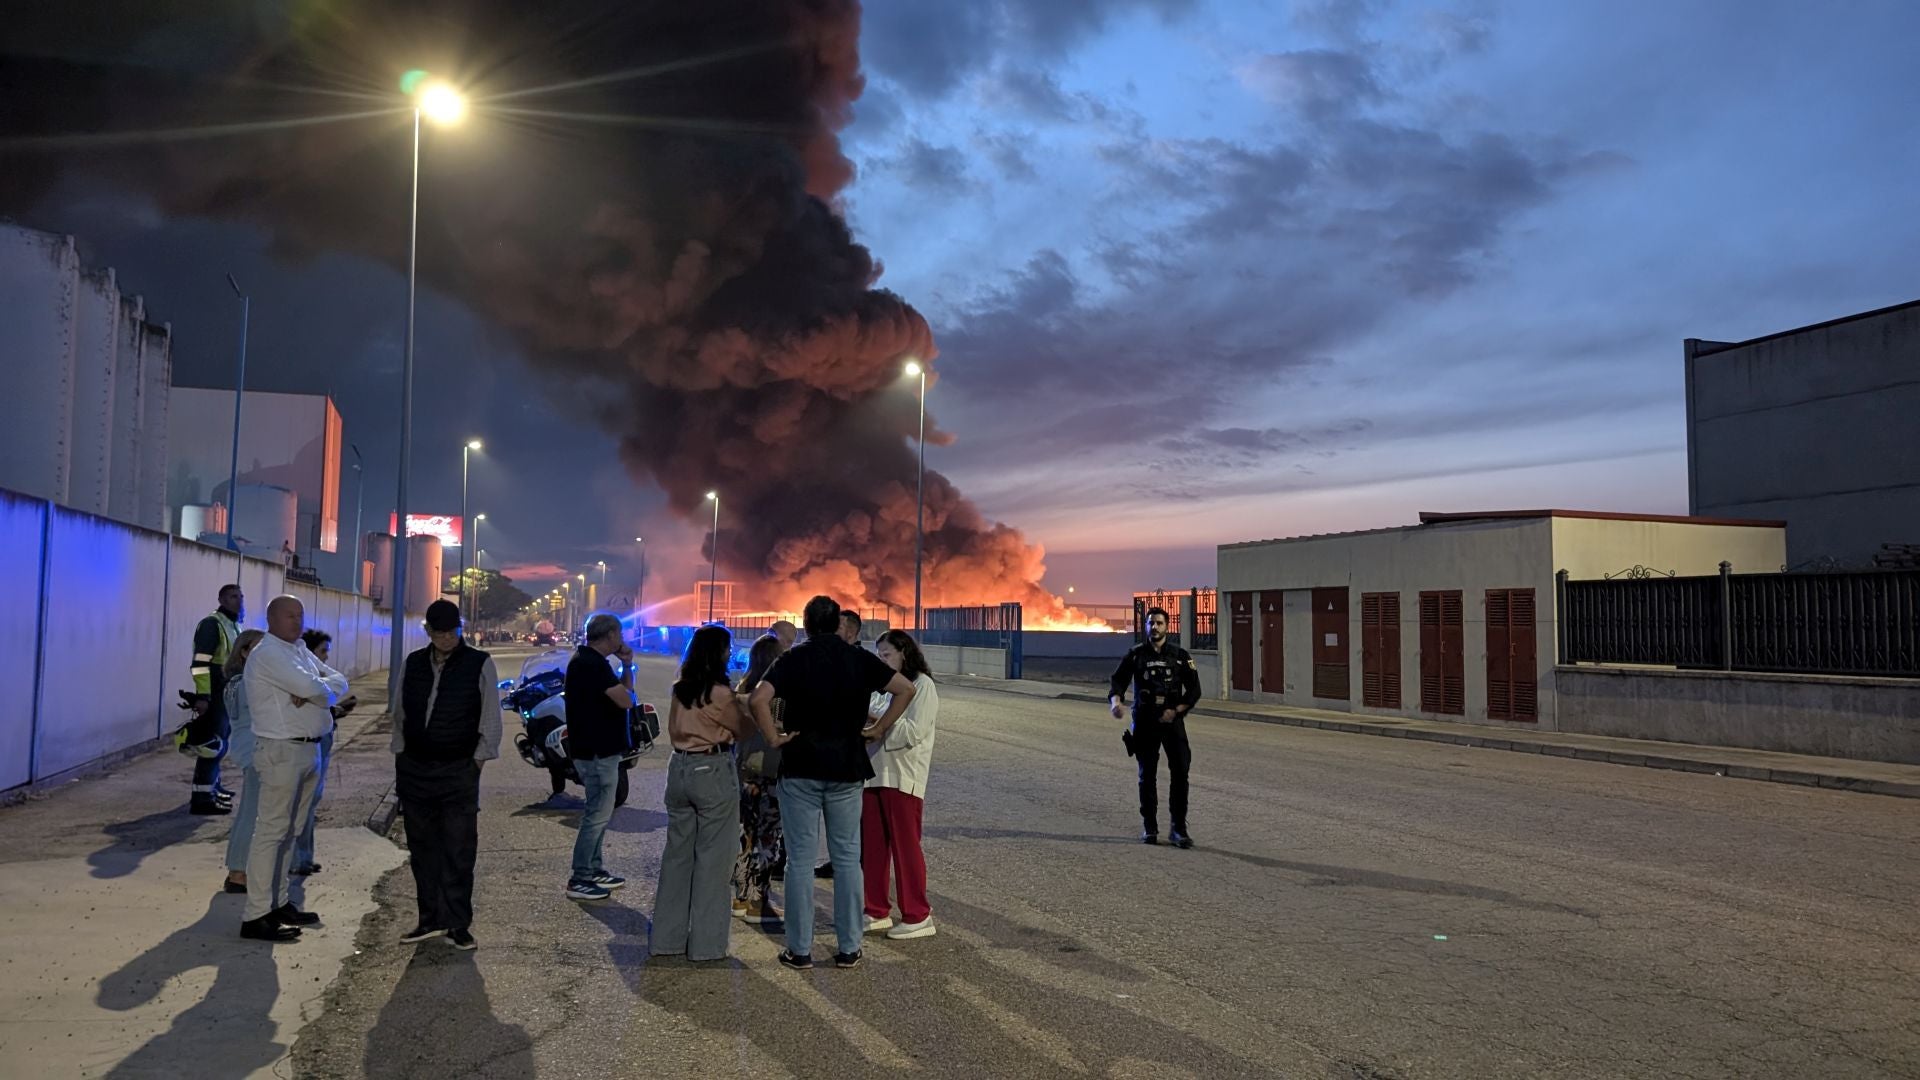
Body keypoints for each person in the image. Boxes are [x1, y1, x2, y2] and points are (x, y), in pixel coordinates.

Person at [747, 596, 916, 971]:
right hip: (846, 769)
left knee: (800, 862)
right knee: (847, 859)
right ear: (838, 623)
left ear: (806, 624)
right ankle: (849, 947)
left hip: (801, 767)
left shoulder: (793, 659)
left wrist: (773, 737)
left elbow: (758, 699)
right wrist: (879, 728)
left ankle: (799, 949)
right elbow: (906, 689)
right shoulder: (858, 658)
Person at [392, 600, 502, 950]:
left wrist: (475, 765)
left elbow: (490, 719)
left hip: (458, 771)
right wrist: (401, 754)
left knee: (459, 849)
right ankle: (430, 919)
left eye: (451, 632)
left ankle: (457, 924)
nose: (445, 639)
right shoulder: (413, 663)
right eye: (439, 633)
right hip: (415, 770)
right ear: (428, 632)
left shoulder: (479, 663)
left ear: (460, 629)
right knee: (422, 849)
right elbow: (399, 712)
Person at [241, 595, 349, 942]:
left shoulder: (298, 650)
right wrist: (316, 689)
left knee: (291, 830)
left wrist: (318, 690)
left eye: (300, 615)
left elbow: (339, 682)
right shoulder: (269, 654)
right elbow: (315, 688)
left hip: (308, 749)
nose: (297, 621)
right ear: (271, 619)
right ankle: (256, 914)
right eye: (289, 615)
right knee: (272, 831)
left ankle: (279, 902)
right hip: (282, 751)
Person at [651, 625, 752, 962]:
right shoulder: (719, 693)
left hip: (679, 768)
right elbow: (742, 729)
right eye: (727, 648)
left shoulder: (681, 688)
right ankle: (707, 946)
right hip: (711, 769)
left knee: (677, 859)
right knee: (713, 862)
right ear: (718, 653)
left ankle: (666, 940)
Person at [862, 630, 941, 940]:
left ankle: (917, 914)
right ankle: (876, 910)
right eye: (878, 655)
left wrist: (879, 717)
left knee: (905, 848)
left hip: (903, 777)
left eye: (887, 655)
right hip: (873, 774)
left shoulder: (922, 686)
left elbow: (912, 733)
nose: (881, 661)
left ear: (904, 653)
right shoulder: (881, 687)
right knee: (873, 849)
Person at [1109, 606, 1203, 848]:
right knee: (1147, 775)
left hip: (1172, 722)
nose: (1155, 627)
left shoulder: (1180, 656)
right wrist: (1116, 702)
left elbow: (1194, 690)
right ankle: (1149, 827)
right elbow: (1118, 681)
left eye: (1159, 623)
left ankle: (1178, 829)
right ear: (1146, 626)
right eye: (1151, 623)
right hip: (1145, 722)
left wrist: (1178, 710)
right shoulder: (1136, 655)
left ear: (1167, 626)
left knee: (1180, 773)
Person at [563, 614, 636, 902]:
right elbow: (626, 699)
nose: (622, 640)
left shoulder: (589, 661)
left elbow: (623, 694)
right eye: (619, 634)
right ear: (610, 635)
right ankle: (580, 876)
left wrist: (627, 665)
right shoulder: (591, 664)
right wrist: (627, 673)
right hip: (597, 752)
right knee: (596, 816)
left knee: (598, 813)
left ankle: (593, 869)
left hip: (595, 750)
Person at [291, 629, 358, 877]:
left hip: (321, 741)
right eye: (322, 652)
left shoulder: (316, 679)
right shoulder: (302, 680)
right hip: (310, 744)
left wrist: (336, 709)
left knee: (310, 803)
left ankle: (304, 857)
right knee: (303, 804)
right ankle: (298, 859)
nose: (326, 657)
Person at [732, 634, 788, 924]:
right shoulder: (777, 695)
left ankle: (741, 897)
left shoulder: (742, 688)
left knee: (746, 835)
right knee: (768, 838)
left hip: (744, 770)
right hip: (770, 770)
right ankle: (758, 902)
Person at [184, 585, 244, 815]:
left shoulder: (232, 624)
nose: (239, 600)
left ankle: (213, 787)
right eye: (233, 596)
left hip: (226, 691)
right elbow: (200, 663)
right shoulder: (212, 624)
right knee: (211, 745)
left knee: (221, 742)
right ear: (221, 599)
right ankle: (202, 799)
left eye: (240, 596)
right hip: (215, 692)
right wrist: (203, 696)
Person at [219, 630, 268, 894]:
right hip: (256, 751)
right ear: (244, 652)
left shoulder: (236, 683)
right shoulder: (249, 683)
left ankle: (238, 869)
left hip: (247, 750)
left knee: (249, 811)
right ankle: (238, 872)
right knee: (251, 813)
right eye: (259, 648)